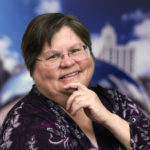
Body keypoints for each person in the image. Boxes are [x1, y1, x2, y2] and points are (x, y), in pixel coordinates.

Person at [0, 13, 150, 150]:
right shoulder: (25, 126)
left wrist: (109, 119)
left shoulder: (113, 99)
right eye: (53, 56)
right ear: (31, 67)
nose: (68, 62)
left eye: (75, 50)